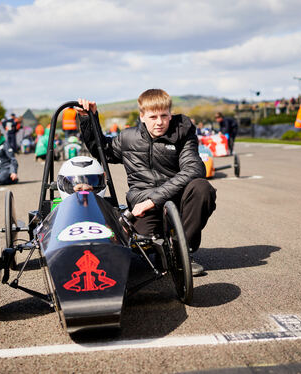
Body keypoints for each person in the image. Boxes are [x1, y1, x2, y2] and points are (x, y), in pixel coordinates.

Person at [76, 89, 217, 276]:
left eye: (164, 116)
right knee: (142, 250)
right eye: (153, 116)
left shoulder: (183, 132)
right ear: (142, 116)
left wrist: (152, 200)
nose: (159, 122)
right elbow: (101, 150)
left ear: (170, 114)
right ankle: (162, 248)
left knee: (202, 188)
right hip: (141, 201)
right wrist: (89, 118)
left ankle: (182, 254)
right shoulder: (127, 138)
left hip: (173, 198)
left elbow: (194, 169)